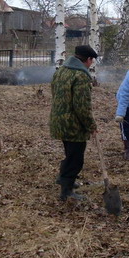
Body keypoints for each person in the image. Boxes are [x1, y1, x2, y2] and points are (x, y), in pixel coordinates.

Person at [50, 45, 99, 201]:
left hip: (58, 120)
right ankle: (67, 190)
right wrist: (91, 125)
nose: (92, 64)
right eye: (92, 61)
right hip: (73, 125)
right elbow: (82, 106)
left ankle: (63, 178)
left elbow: (54, 93)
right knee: (76, 158)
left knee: (69, 153)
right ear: (88, 59)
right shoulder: (81, 76)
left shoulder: (61, 71)